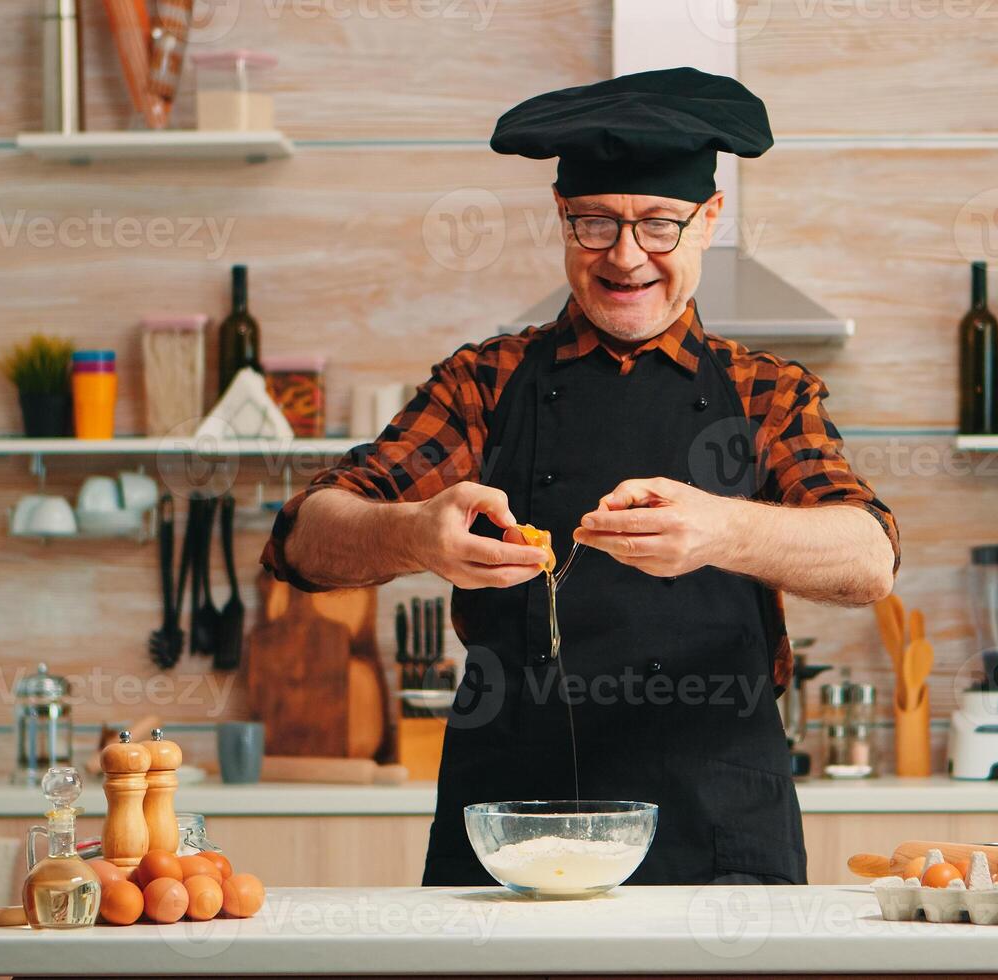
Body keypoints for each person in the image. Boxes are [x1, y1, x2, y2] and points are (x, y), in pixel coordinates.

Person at [261, 67, 898, 886]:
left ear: (709, 221)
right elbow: (302, 537)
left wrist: (724, 527)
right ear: (562, 219)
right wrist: (413, 533)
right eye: (595, 224)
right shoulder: (483, 384)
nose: (626, 257)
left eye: (659, 225)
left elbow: (870, 557)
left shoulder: (765, 392)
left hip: (720, 833)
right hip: (508, 834)